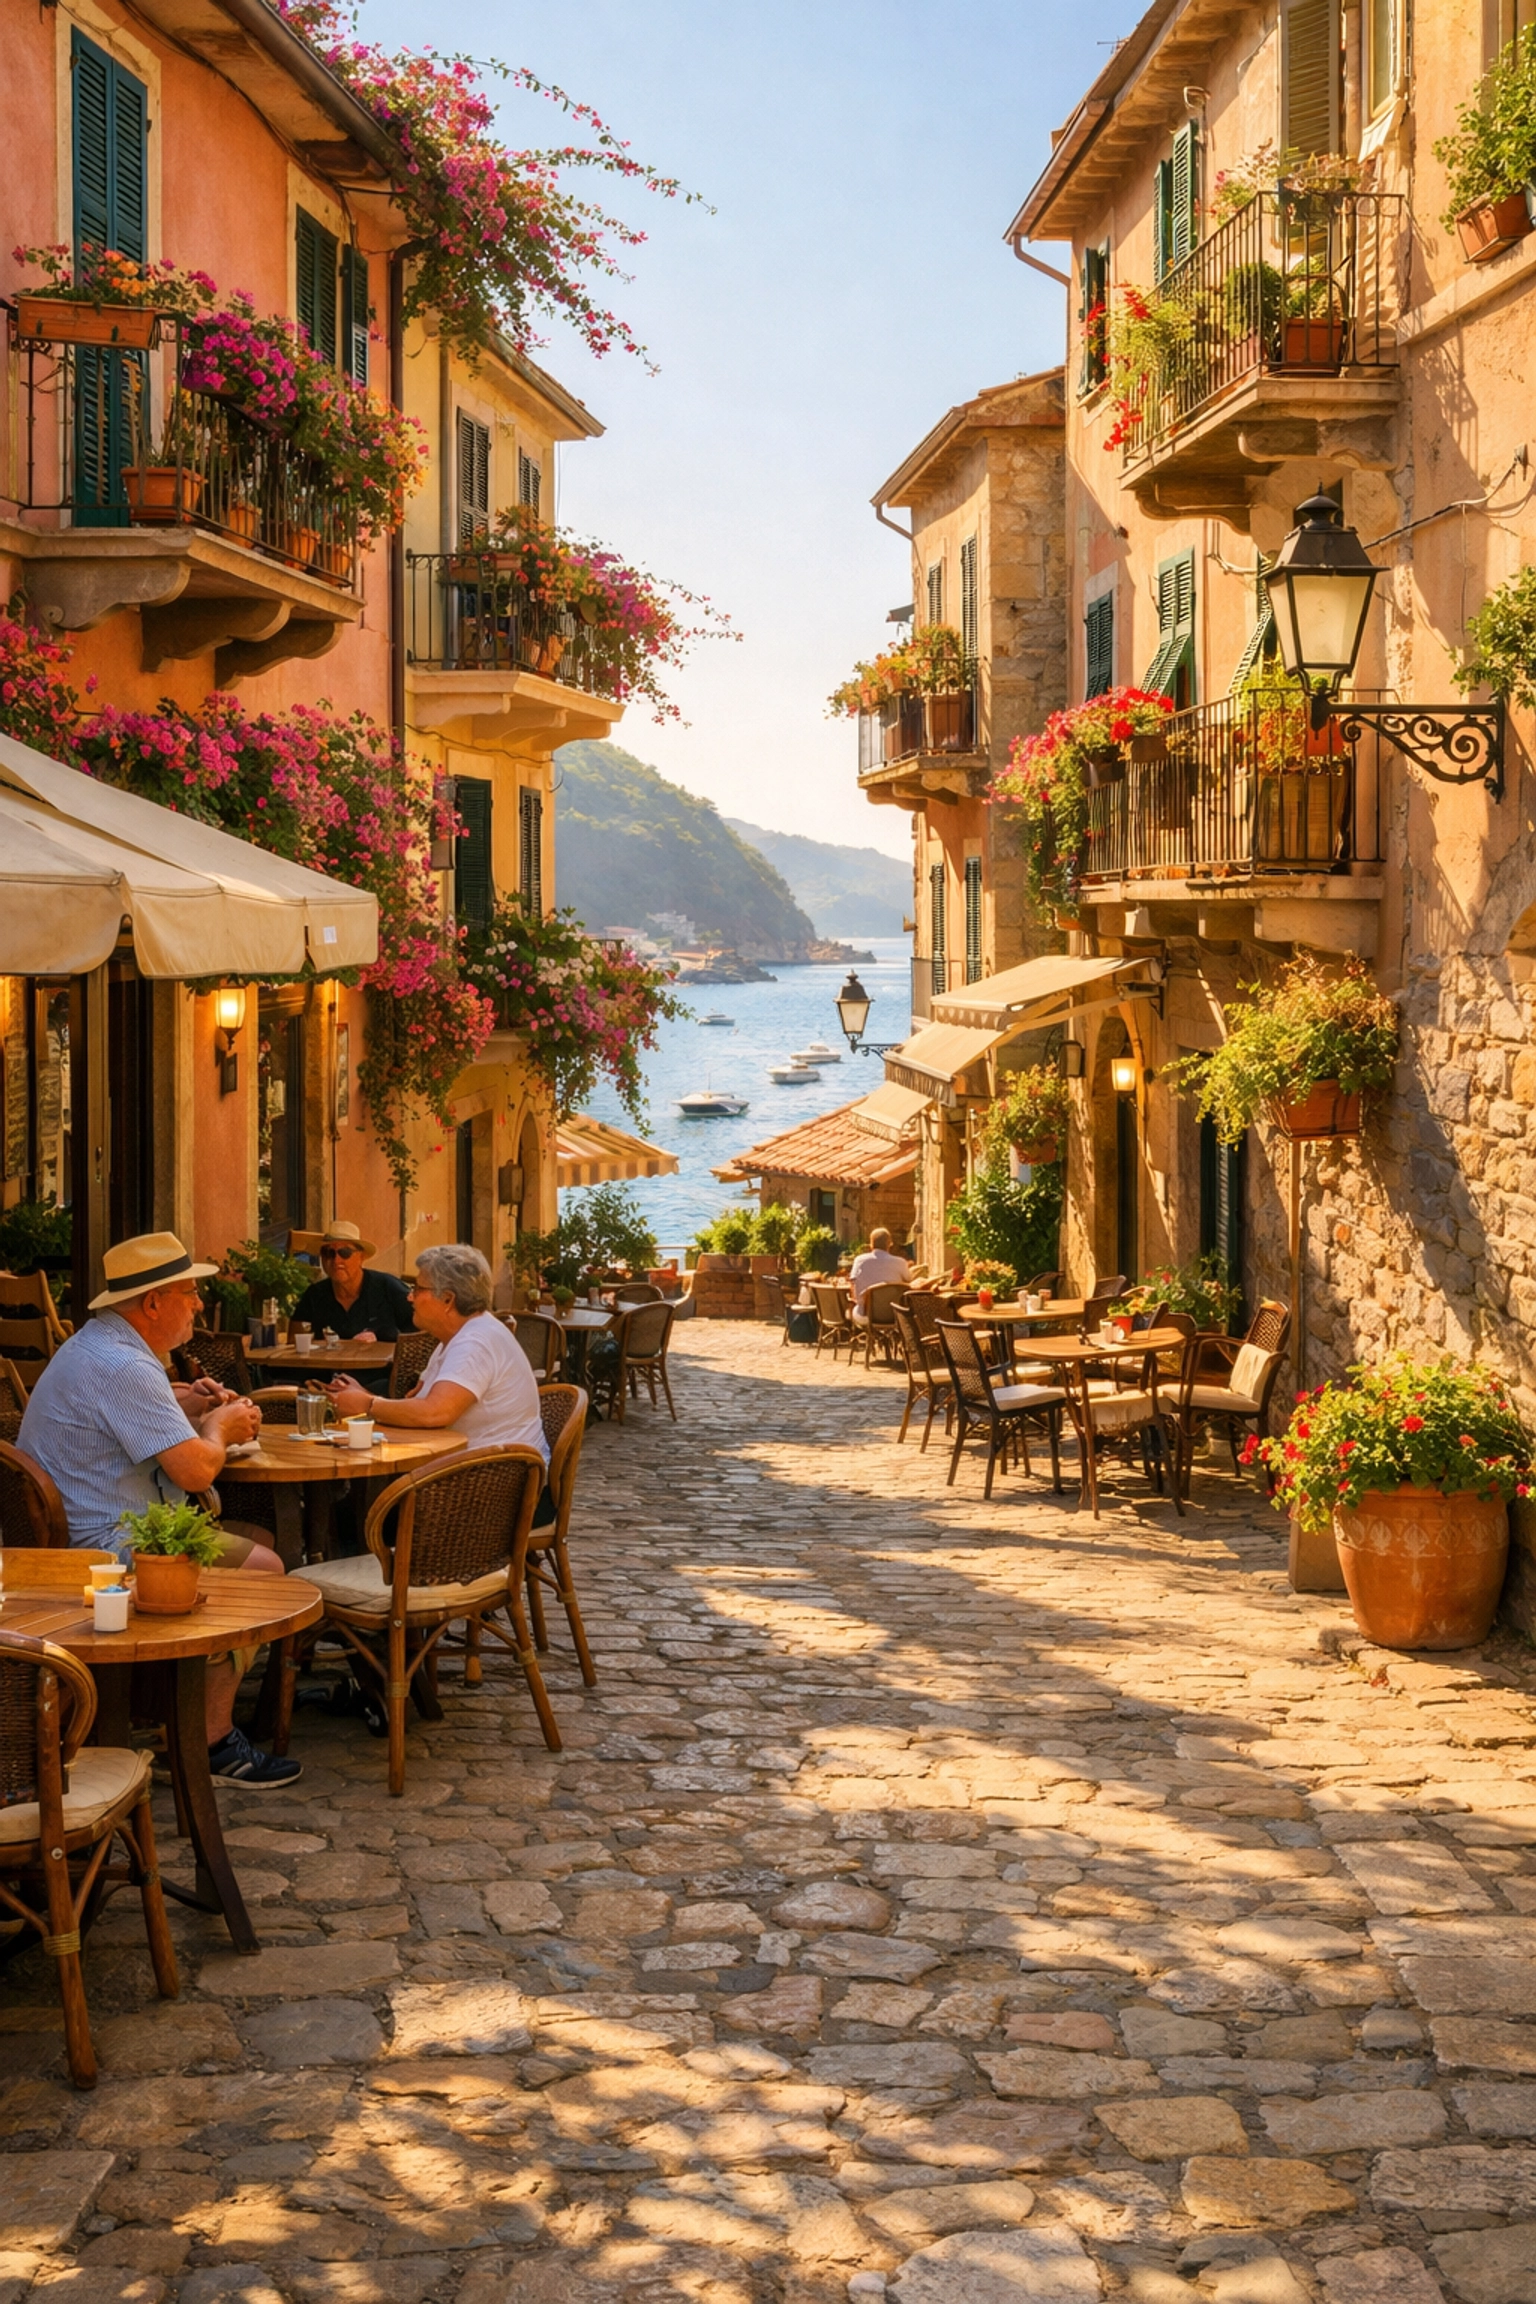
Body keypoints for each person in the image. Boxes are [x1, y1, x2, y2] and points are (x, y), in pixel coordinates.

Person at [19, 1231, 300, 1788]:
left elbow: (126, 1416)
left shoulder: (97, 1345)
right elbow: (196, 1471)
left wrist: (182, 1403)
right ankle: (209, 1742)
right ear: (153, 1303)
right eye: (190, 1293)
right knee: (266, 1574)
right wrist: (219, 1426)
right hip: (102, 1547)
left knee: (256, 1541)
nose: (200, 1304)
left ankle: (185, 1702)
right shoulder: (124, 1365)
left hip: (70, 1530)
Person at [325, 1243, 548, 1466]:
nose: (410, 1298)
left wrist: (368, 1404)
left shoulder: (475, 1343)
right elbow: (420, 1404)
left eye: (418, 1289)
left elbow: (435, 1413)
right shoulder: (457, 1337)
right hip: (482, 1470)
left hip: (493, 1480)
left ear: (448, 1300)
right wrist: (362, 1396)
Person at [289, 1221, 415, 1345]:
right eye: (329, 1253)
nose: (336, 1260)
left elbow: (420, 1331)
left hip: (383, 1365)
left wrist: (384, 1335)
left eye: (345, 1253)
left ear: (361, 1257)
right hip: (329, 1365)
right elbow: (294, 1341)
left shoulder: (388, 1287)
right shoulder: (314, 1295)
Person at [848, 1226, 911, 1317]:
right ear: (889, 1244)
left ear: (871, 1244)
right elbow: (909, 1281)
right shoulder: (900, 1262)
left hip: (866, 1314)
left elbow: (852, 1283)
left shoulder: (860, 1260)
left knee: (853, 1308)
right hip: (895, 1315)